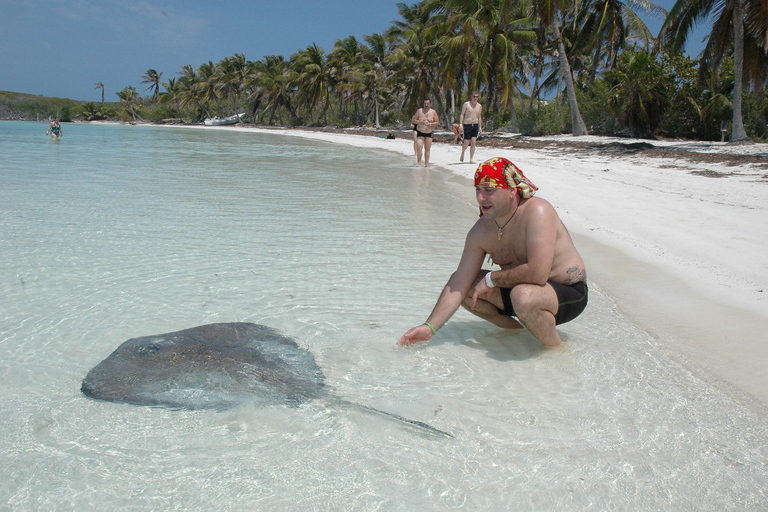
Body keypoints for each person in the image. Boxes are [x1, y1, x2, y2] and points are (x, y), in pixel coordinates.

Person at [398, 157, 588, 348]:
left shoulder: (537, 211)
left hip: (567, 292)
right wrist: (430, 327)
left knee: (523, 296)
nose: (481, 198)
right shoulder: (480, 231)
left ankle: (556, 350)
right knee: (466, 287)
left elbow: (538, 274)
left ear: (512, 191)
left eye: (489, 190)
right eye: (478, 190)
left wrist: (491, 279)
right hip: (519, 292)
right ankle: (518, 333)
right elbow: (459, 282)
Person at [410, 99, 439, 167]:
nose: (426, 105)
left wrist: (430, 124)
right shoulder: (419, 111)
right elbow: (413, 120)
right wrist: (419, 121)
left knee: (427, 148)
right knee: (419, 147)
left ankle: (426, 163)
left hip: (429, 132)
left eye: (427, 104)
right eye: (425, 103)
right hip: (420, 131)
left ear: (430, 104)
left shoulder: (433, 112)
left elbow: (437, 122)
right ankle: (419, 162)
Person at [459, 92, 482, 163]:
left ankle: (471, 159)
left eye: (477, 97)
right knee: (466, 143)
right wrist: (460, 124)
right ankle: (463, 152)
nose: (475, 98)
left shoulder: (479, 106)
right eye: (474, 96)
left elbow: (479, 117)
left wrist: (480, 127)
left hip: (475, 125)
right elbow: (462, 115)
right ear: (471, 97)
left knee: (473, 142)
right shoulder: (466, 104)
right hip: (467, 125)